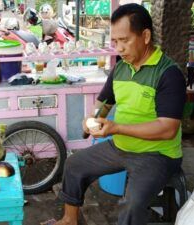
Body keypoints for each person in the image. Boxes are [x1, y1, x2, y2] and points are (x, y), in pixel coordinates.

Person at [52, 3, 186, 225]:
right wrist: (91, 119)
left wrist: (116, 128)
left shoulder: (169, 74)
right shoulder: (120, 68)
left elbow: (168, 129)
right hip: (121, 146)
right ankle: (69, 219)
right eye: (115, 42)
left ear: (145, 36)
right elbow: (103, 104)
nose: (119, 48)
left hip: (158, 155)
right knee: (74, 164)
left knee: (132, 203)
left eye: (125, 40)